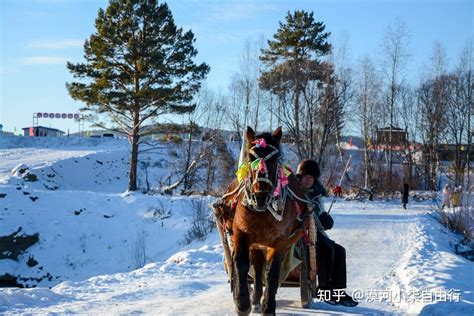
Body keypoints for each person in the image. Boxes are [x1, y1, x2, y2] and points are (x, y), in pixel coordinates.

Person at [296, 159, 358, 307]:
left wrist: (326, 220)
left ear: (314, 179)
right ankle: (324, 289)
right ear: (299, 177)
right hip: (301, 234)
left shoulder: (316, 195)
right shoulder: (295, 192)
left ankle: (337, 291)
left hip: (316, 232)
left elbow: (321, 216)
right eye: (304, 177)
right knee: (326, 249)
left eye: (310, 177)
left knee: (340, 251)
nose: (307, 180)